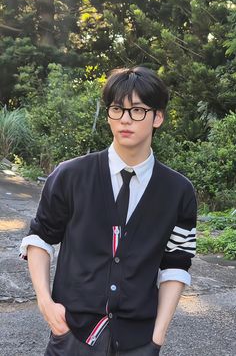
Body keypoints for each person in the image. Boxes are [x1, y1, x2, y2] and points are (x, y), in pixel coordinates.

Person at [20, 66, 197, 355]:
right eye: (118, 109)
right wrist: (45, 303)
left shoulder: (178, 191)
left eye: (138, 110)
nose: (125, 119)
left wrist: (157, 337)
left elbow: (176, 264)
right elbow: (40, 238)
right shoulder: (70, 175)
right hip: (73, 336)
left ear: (158, 117)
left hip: (139, 342)